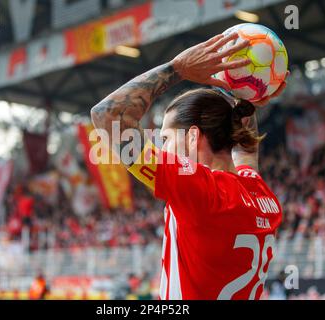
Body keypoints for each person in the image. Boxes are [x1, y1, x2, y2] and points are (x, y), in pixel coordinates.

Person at [91, 32, 287, 300]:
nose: (162, 148)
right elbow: (246, 150)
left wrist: (178, 69)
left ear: (193, 137)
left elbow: (106, 116)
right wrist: (243, 96)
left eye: (165, 139)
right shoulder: (261, 195)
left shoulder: (199, 190)